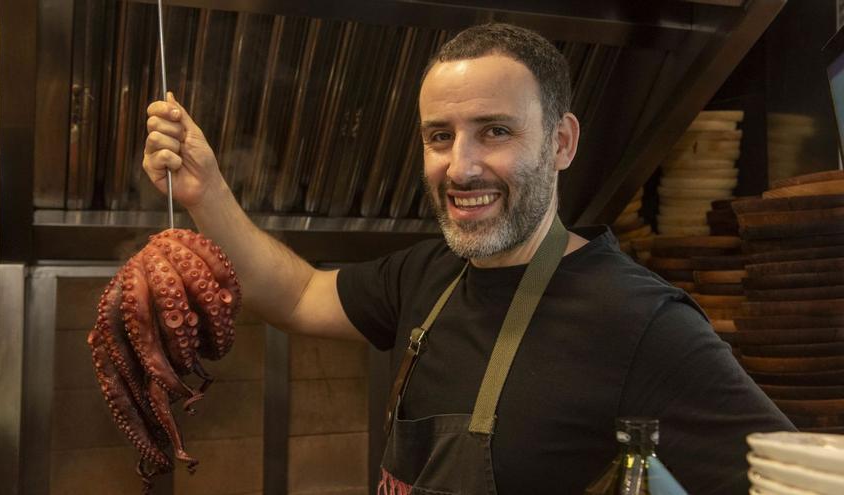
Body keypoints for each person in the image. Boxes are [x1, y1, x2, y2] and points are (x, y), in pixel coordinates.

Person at [143, 22, 794, 495]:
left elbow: (795, 479)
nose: (461, 166)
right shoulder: (426, 275)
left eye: (496, 130)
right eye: (439, 136)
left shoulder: (640, 321)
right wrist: (209, 191)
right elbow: (296, 293)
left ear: (562, 141)